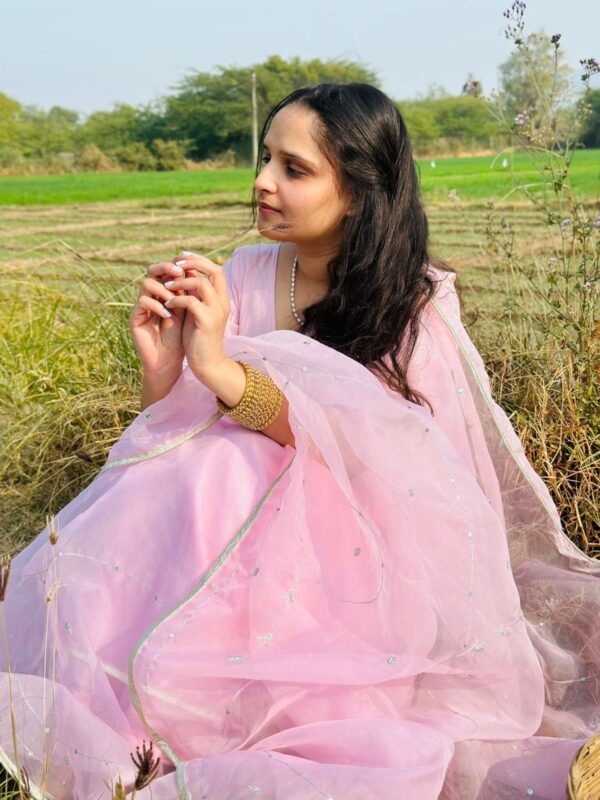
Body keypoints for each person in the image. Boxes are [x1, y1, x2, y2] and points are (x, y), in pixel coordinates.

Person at [0, 83, 598, 800]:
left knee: (230, 461)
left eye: (294, 168)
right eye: (264, 158)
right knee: (215, 460)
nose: (261, 182)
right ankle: (129, 691)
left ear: (357, 192)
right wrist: (163, 368)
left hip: (354, 557)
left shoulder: (413, 308)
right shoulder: (248, 273)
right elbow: (173, 439)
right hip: (219, 539)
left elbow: (396, 463)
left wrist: (220, 368)